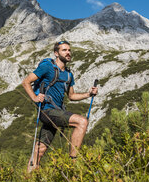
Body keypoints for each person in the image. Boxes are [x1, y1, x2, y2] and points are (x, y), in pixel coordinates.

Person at [22, 41, 98, 172]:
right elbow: (26, 82)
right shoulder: (47, 67)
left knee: (39, 151)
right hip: (47, 111)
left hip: (56, 113)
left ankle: (29, 180)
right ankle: (73, 164)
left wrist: (88, 94)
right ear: (56, 53)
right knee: (82, 122)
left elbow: (71, 96)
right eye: (64, 50)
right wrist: (35, 98)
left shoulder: (69, 75)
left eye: (69, 50)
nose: (68, 52)